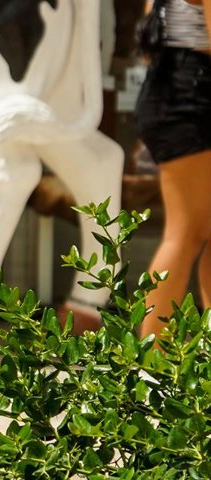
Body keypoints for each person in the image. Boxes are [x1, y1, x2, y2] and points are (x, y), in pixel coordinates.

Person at [136, 0, 211, 337]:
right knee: (185, 234)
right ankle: (150, 359)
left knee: (195, 233)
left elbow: (149, 47)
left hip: (172, 90)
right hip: (192, 96)